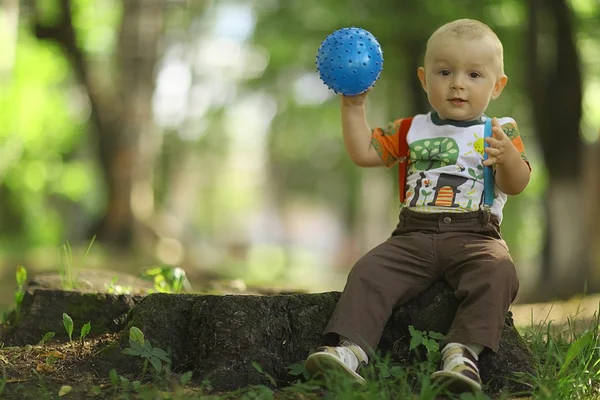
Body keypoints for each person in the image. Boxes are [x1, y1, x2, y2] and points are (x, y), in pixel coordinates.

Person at [305, 18, 531, 393]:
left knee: (499, 272)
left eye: (474, 74)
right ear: (425, 79)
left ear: (497, 85)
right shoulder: (410, 128)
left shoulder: (500, 129)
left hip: (475, 236)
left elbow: (517, 183)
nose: (458, 83)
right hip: (413, 234)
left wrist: (508, 157)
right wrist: (353, 105)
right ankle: (349, 350)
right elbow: (364, 153)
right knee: (369, 270)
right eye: (445, 72)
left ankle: (463, 353)